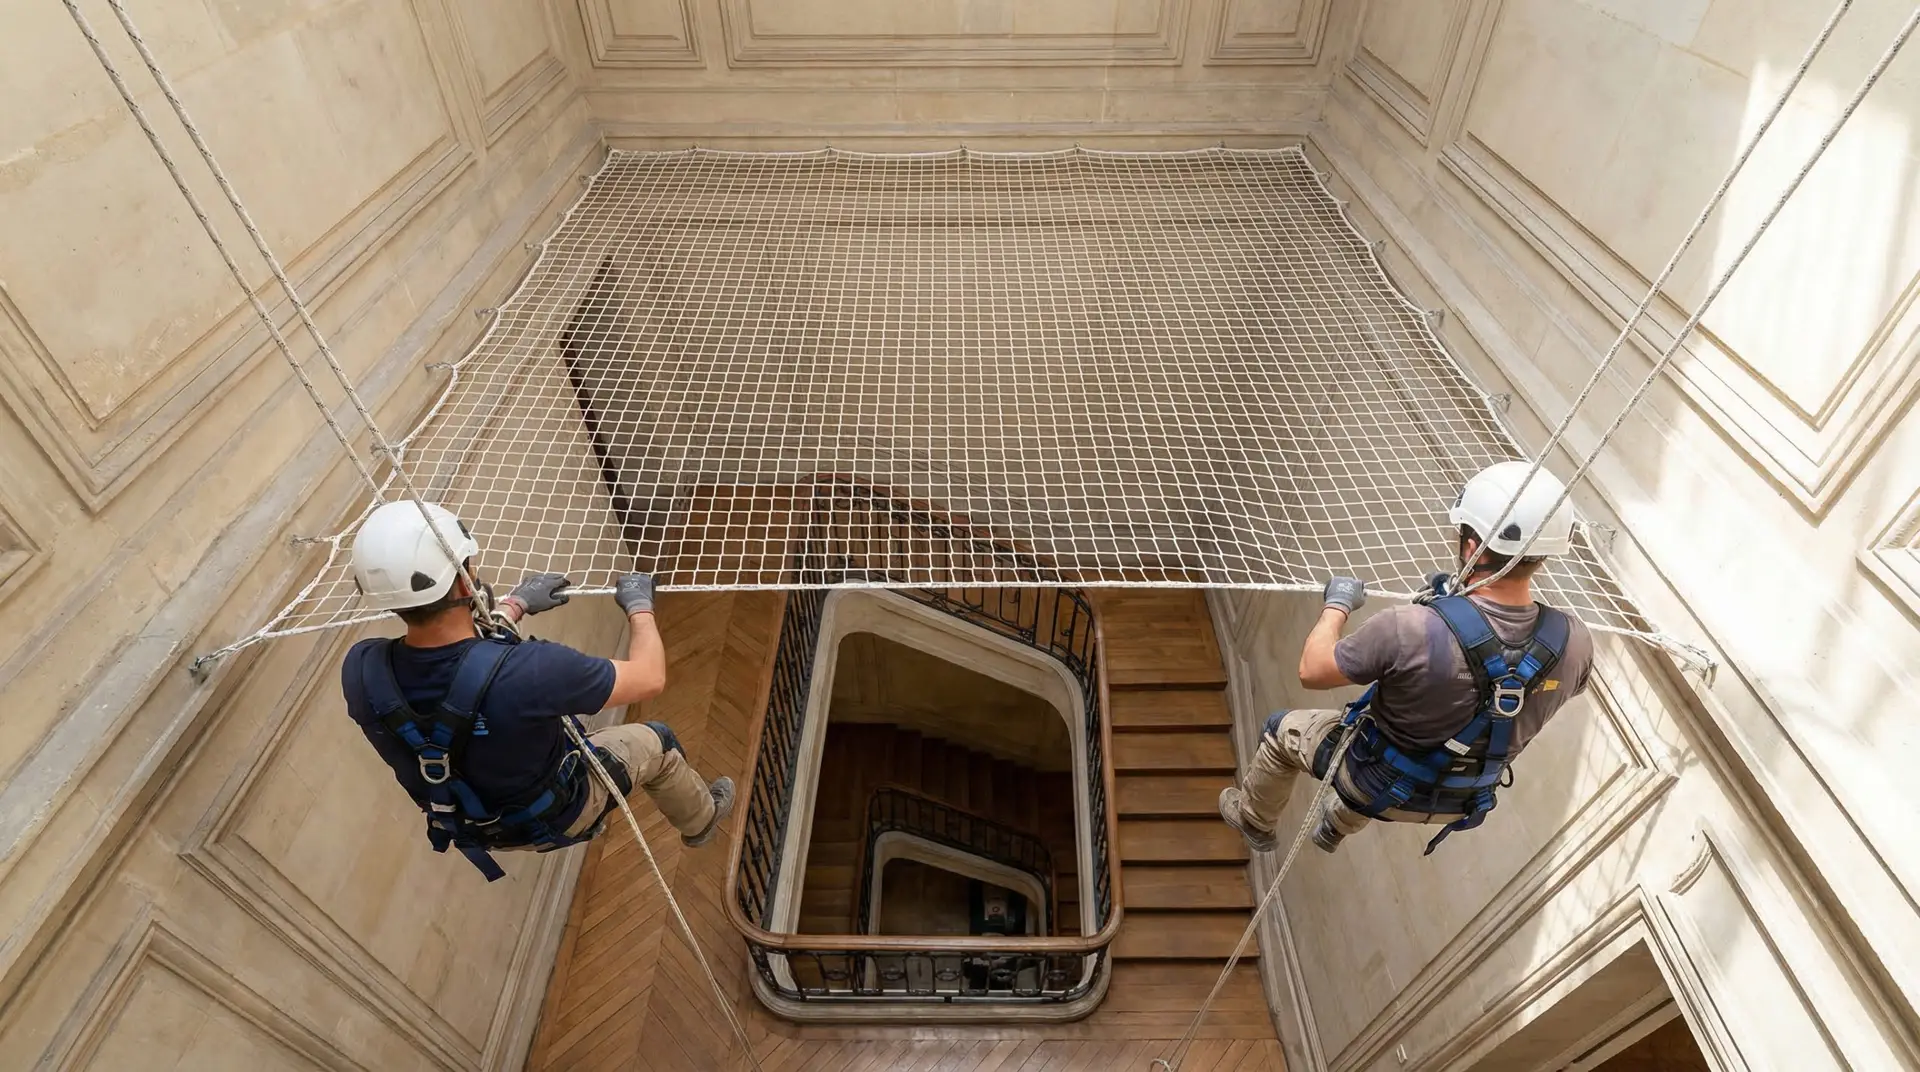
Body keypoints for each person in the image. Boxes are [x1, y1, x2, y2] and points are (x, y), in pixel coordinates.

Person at [339, 500, 733, 881]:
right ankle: (701, 820)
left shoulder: (361, 670)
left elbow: (465, 668)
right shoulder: (534, 671)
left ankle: (585, 816)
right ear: (463, 579)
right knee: (657, 742)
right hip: (555, 812)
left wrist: (513, 607)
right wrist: (640, 607)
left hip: (476, 825)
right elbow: (649, 677)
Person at [1218, 462, 1595, 856]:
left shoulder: (1410, 628)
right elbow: (1519, 675)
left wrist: (1337, 605)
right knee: (1408, 735)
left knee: (1284, 729)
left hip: (1375, 783)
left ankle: (1253, 820)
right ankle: (1335, 826)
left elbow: (1312, 671)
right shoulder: (1575, 642)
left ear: (1472, 547)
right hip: (1460, 799)